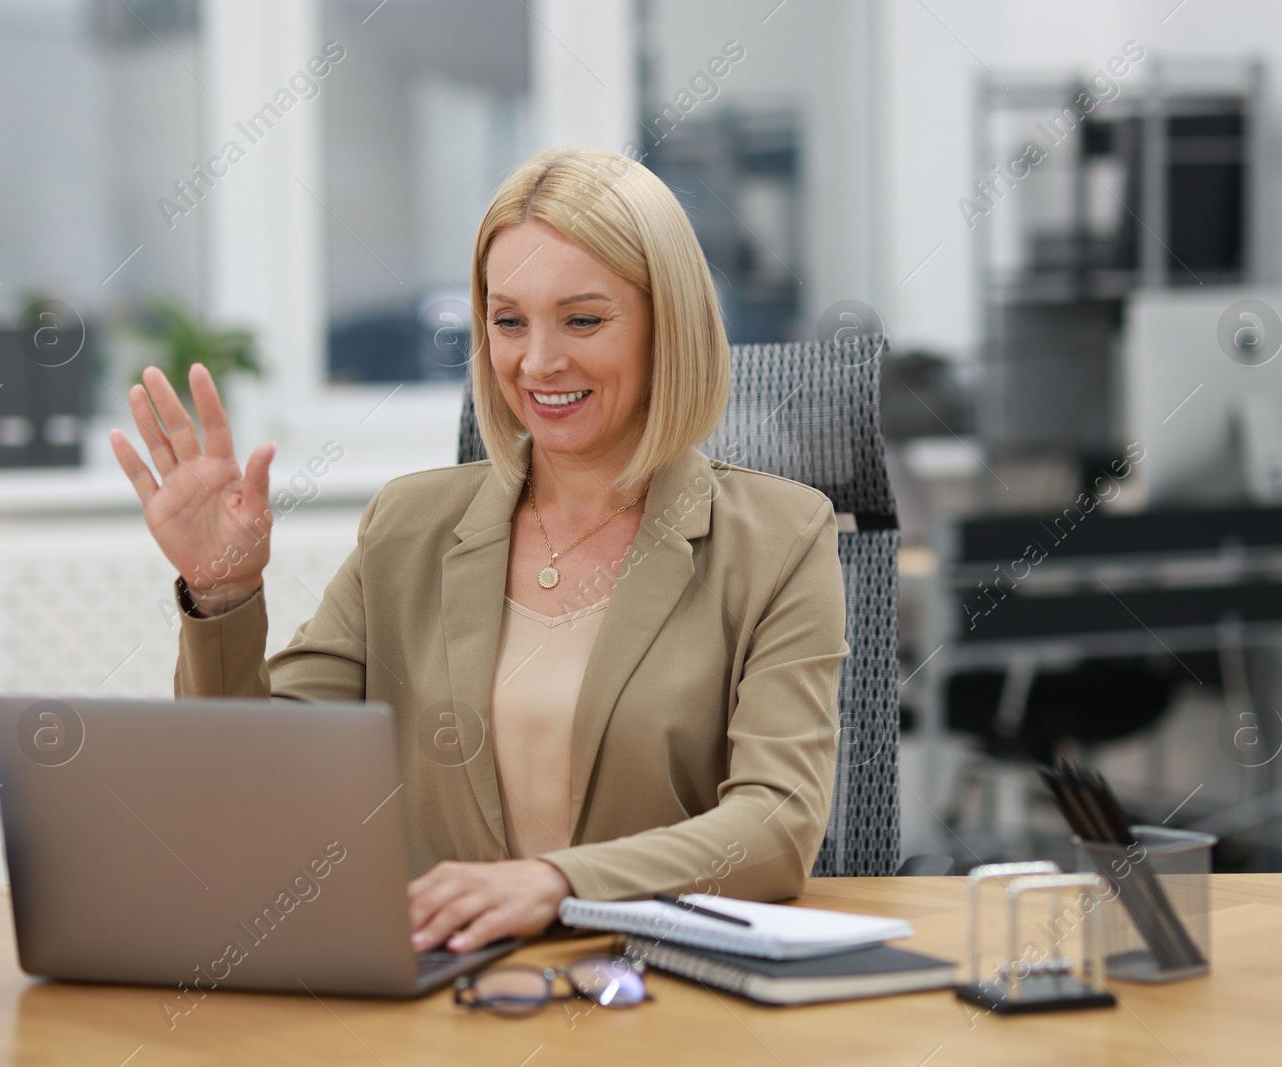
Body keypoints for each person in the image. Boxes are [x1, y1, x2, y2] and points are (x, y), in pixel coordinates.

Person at [110, 146, 849, 956]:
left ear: (665, 325)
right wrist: (221, 595)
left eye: (583, 318)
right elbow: (253, 787)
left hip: (658, 990)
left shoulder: (780, 538)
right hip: (447, 998)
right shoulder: (410, 526)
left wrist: (559, 882)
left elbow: (774, 825)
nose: (537, 362)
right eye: (508, 320)